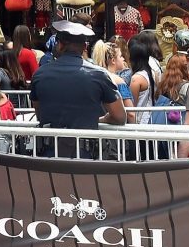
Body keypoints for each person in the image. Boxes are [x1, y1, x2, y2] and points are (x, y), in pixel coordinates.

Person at [30, 20, 126, 155]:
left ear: (60, 45)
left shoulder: (39, 74)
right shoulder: (99, 74)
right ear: (84, 47)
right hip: (86, 155)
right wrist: (100, 120)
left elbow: (40, 114)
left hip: (49, 152)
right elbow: (120, 117)